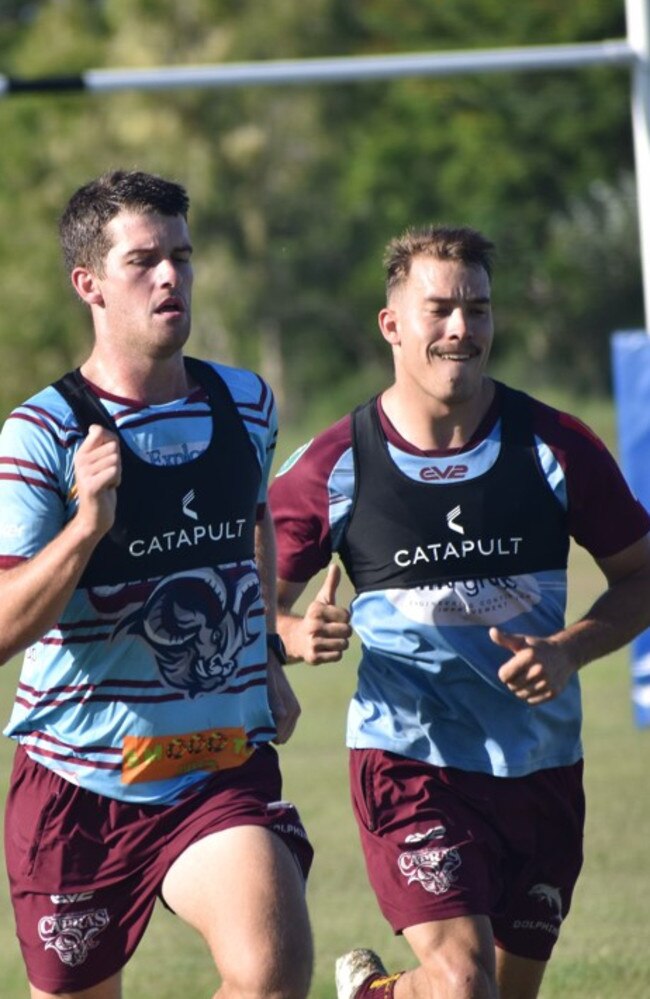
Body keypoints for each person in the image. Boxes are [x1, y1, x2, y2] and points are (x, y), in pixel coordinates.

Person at [269, 224, 650, 999]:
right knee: (461, 984)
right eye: (439, 308)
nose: (460, 329)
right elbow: (243, 601)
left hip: (542, 767)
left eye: (477, 309)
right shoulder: (337, 463)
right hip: (410, 763)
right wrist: (290, 632)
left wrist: (573, 648)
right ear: (392, 324)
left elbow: (643, 574)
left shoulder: (555, 445)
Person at [0, 170, 313, 999]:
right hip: (80, 782)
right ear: (90, 283)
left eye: (181, 255)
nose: (171, 276)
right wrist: (86, 526)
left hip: (215, 768)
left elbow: (249, 530)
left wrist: (266, 660)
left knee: (272, 970)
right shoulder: (43, 432)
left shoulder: (245, 403)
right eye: (144, 261)